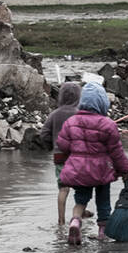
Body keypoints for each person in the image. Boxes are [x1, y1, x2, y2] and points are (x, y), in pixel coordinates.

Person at [54, 83, 128, 244]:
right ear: (102, 103)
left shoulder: (71, 122)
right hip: (101, 171)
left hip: (79, 170)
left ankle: (75, 221)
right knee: (103, 202)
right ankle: (102, 233)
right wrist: (124, 169)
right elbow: (116, 152)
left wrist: (75, 151)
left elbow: (62, 145)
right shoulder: (108, 124)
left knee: (80, 199)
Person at [40, 81, 85, 229]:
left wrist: (50, 146)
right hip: (78, 157)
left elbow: (44, 134)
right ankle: (79, 214)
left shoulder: (54, 114)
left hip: (59, 156)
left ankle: (61, 221)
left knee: (63, 189)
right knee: (81, 188)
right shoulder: (80, 114)